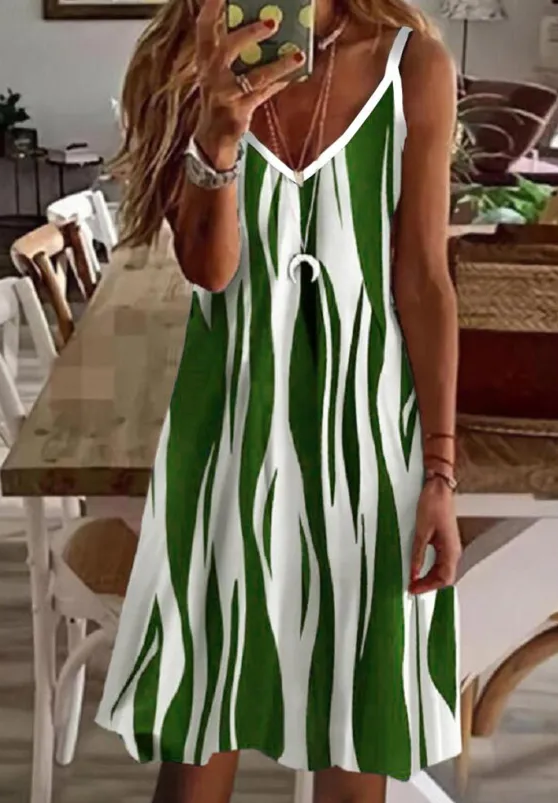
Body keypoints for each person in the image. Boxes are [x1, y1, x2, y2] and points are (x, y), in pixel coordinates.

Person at [96, 0, 463, 801]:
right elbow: (210, 271)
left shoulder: (413, 67)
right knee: (202, 720)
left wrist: (439, 470)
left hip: (368, 437)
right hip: (229, 429)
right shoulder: (188, 63)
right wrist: (219, 133)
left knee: (358, 725)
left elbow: (424, 281)